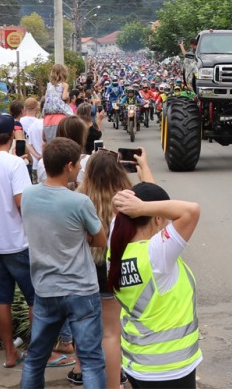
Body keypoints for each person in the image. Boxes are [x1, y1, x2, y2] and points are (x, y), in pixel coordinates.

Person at [0, 114, 74, 370]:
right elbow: (21, 203)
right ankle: (42, 353)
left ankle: (10, 353)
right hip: (19, 242)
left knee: (2, 299)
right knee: (36, 299)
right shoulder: (15, 164)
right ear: (13, 136)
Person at [20, 138, 107, 389]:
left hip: (46, 289)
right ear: (69, 165)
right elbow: (100, 239)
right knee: (91, 361)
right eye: (78, 163)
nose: (81, 167)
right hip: (81, 289)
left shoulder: (28, 195)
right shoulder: (79, 202)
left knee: (36, 358)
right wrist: (82, 234)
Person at [109, 183, 202, 388]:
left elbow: (124, 215)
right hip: (169, 367)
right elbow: (191, 210)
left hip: (139, 363)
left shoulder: (115, 248)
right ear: (157, 218)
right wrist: (143, 206)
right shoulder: (156, 254)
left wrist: (139, 200)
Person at [76, 147, 154, 388]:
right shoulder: (128, 200)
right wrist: (145, 168)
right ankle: (113, 384)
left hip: (85, 272)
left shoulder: (78, 198)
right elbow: (156, 200)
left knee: (87, 331)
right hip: (115, 270)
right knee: (111, 333)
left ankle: (82, 371)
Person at [42, 64, 75, 145]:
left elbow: (46, 97)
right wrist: (67, 94)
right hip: (60, 109)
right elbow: (64, 97)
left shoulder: (49, 85)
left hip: (49, 111)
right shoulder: (64, 84)